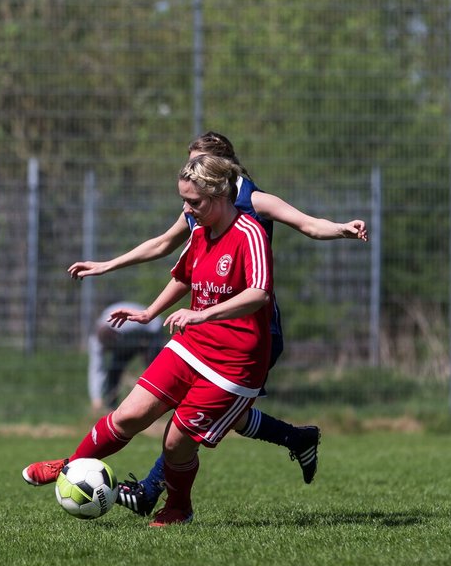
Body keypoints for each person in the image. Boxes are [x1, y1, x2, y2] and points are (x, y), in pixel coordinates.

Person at [67, 131, 367, 515]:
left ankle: (151, 491)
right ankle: (298, 438)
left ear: (220, 173)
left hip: (251, 332)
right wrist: (108, 265)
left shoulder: (252, 203)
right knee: (227, 416)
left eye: (199, 166)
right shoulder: (197, 204)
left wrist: (342, 228)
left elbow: (308, 224)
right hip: (203, 330)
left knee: (196, 418)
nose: (191, 176)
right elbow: (162, 245)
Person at [24, 154, 274, 527]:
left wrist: (202, 313)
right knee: (128, 415)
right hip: (194, 344)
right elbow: (184, 277)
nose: (187, 210)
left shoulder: (248, 233)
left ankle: (178, 507)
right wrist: (149, 313)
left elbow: (259, 294)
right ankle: (71, 465)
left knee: (175, 443)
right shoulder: (200, 232)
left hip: (235, 363)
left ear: (220, 193)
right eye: (183, 201)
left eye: (195, 202)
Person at [88, 301, 165, 412]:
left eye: (110, 349)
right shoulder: (96, 341)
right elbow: (96, 369)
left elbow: (156, 323)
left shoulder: (126, 325)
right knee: (114, 369)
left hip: (151, 331)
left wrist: (147, 346)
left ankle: (156, 405)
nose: (108, 352)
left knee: (152, 371)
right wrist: (96, 398)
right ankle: (111, 407)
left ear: (115, 339)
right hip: (127, 340)